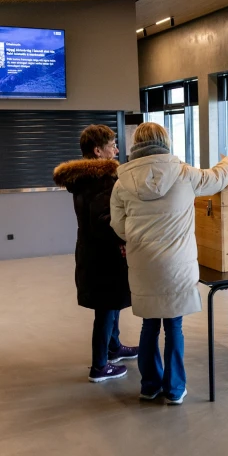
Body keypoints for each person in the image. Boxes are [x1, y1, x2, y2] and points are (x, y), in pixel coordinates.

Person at [110, 123, 228, 405]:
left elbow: (118, 226)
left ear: (136, 144)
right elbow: (217, 178)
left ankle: (149, 386)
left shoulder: (121, 183)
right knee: (174, 326)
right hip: (177, 266)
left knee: (149, 325)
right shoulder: (184, 173)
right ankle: (175, 389)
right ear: (164, 141)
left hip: (143, 264)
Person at [53, 125, 137, 383]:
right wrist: (126, 234)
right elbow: (104, 220)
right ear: (98, 151)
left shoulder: (83, 178)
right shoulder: (102, 179)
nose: (117, 150)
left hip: (92, 252)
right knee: (106, 309)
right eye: (112, 145)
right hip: (104, 255)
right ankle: (100, 366)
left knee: (110, 304)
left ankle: (114, 347)